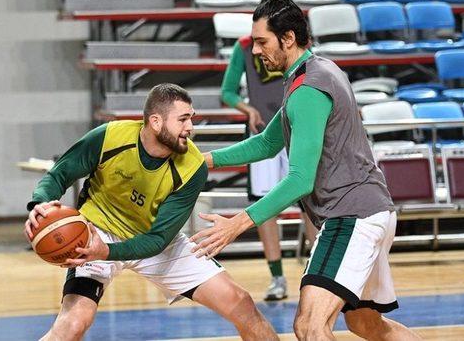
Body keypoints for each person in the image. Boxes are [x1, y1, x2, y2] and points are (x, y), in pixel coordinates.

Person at [191, 0, 422, 341]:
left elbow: (300, 179)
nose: (255, 51)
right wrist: (204, 160)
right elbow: (268, 143)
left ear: (288, 38)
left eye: (261, 42)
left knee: (309, 326)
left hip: (351, 216)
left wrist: (237, 224)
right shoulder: (314, 72)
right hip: (370, 210)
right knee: (366, 323)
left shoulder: (308, 88)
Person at [24, 83, 278, 341]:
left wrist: (109, 252)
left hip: (154, 240)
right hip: (96, 233)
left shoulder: (193, 167)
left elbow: (158, 239)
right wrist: (40, 204)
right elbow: (59, 173)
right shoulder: (110, 136)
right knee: (74, 323)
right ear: (156, 122)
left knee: (242, 304)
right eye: (182, 120)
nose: (190, 128)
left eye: (192, 118)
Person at [221, 33, 317, 301]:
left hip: (299, 127)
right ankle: (277, 278)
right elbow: (227, 92)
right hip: (263, 128)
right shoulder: (243, 47)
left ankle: (316, 273)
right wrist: (248, 110)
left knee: (309, 203)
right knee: (265, 206)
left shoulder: (298, 44)